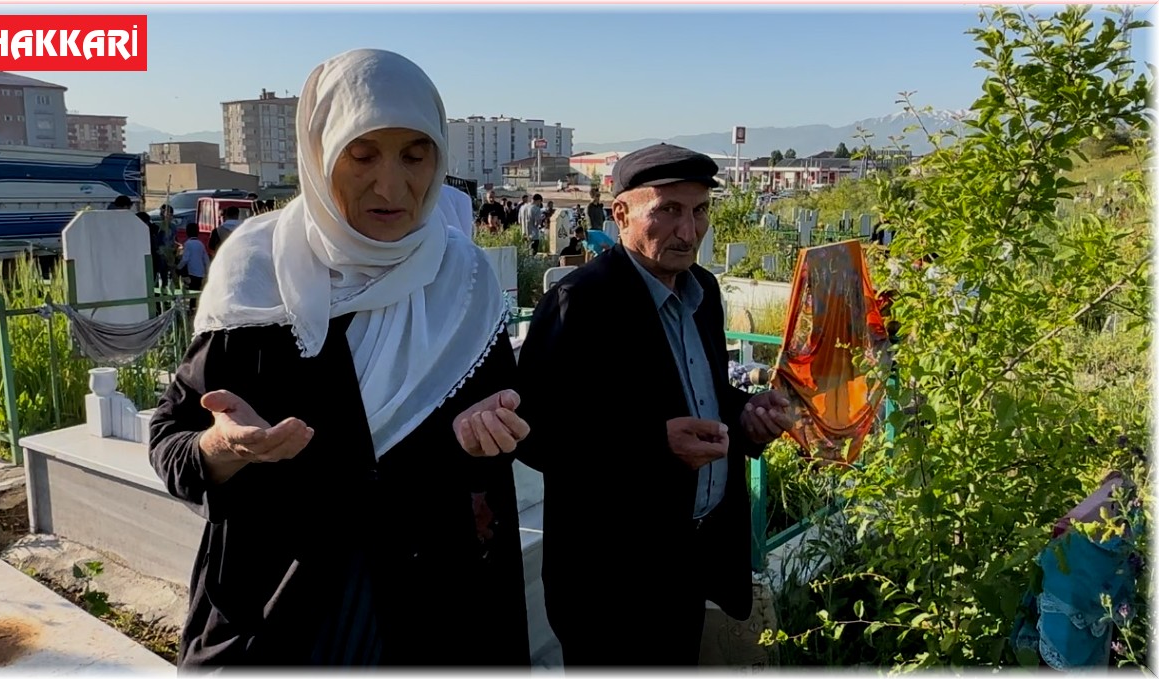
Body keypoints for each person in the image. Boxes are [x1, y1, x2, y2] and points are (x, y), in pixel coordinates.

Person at [147, 49, 531, 668]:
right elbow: (173, 439)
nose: (392, 186)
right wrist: (220, 449)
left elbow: (500, 435)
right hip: (281, 613)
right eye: (362, 155)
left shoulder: (463, 283)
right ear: (319, 151)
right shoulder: (258, 272)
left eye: (414, 156)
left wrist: (487, 437)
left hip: (432, 613)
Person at [515, 143, 796, 667]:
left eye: (700, 211)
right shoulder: (580, 303)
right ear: (621, 213)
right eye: (668, 210)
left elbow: (705, 393)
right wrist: (653, 445)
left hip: (687, 560)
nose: (689, 232)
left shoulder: (702, 291)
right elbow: (534, 434)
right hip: (611, 579)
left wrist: (746, 417)